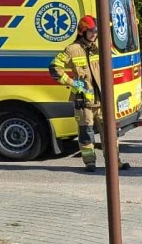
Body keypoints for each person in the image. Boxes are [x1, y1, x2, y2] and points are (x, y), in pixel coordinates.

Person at [48, 15, 127, 172]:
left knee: (110, 133)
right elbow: (54, 68)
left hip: (103, 100)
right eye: (91, 32)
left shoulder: (99, 47)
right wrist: (74, 83)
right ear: (82, 32)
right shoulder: (72, 49)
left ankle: (115, 162)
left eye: (96, 31)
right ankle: (90, 162)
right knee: (86, 134)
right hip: (84, 101)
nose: (95, 34)